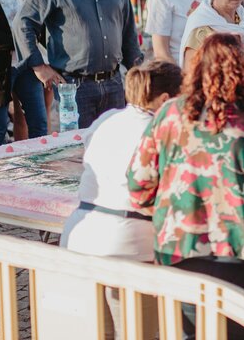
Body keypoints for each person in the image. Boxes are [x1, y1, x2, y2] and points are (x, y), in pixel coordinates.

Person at [127, 34, 244, 339]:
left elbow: (138, 182)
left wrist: (168, 210)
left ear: (195, 67)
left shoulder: (170, 114)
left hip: (182, 252)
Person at [60, 60, 183, 340]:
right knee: (138, 332)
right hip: (127, 242)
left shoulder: (108, 119)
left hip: (81, 236)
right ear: (165, 99)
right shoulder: (162, 130)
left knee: (96, 332)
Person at [14, 0, 143, 129]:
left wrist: (137, 69)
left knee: (114, 143)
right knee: (78, 148)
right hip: (74, 87)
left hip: (114, 83)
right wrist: (38, 66)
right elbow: (23, 23)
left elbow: (128, 28)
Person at [0, 0, 47, 145]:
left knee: (39, 123)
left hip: (26, 61)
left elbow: (29, 15)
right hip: (1, 67)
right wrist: (19, 41)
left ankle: (42, 164)